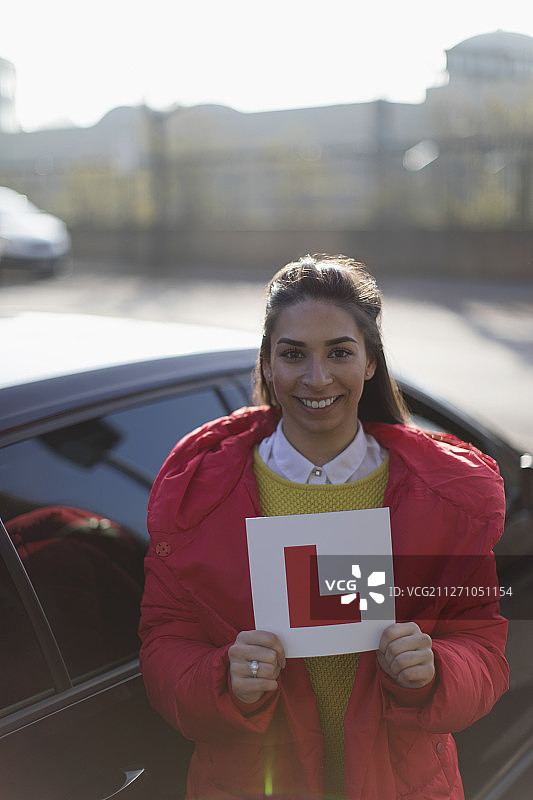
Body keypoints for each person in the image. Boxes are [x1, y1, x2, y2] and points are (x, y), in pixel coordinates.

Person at [139, 254, 508, 800]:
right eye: (293, 354)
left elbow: (481, 640)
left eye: (339, 352)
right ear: (267, 364)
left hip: (402, 784)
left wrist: (437, 669)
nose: (317, 378)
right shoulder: (196, 500)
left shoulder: (444, 502)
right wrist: (222, 678)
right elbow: (165, 641)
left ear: (371, 363)